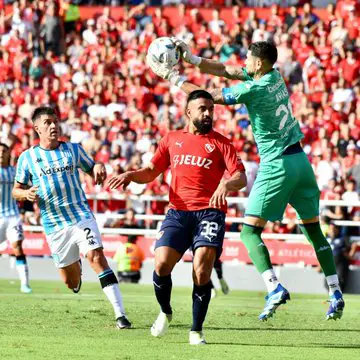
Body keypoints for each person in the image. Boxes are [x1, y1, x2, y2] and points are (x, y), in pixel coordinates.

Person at [146, 40, 345, 321]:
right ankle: (335, 291)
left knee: (249, 232)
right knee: (313, 229)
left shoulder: (254, 89)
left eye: (249, 59)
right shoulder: (273, 77)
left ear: (259, 63)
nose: (245, 63)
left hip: (277, 163)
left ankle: (273, 287)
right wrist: (192, 58)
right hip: (301, 162)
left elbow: (206, 97)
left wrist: (173, 77)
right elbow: (227, 69)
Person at [109, 90, 247, 345]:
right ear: (189, 112)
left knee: (202, 269)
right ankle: (166, 311)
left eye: (210, 109)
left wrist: (225, 185)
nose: (207, 113)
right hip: (178, 212)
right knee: (161, 264)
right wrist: (130, 175)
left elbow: (241, 176)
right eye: (202, 109)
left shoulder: (221, 143)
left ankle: (196, 330)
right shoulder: (172, 139)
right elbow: (151, 171)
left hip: (210, 212)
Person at [12, 107, 131, 329]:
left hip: (80, 215)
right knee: (70, 282)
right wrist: (25, 194)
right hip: (54, 226)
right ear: (37, 128)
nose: (53, 126)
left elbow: (92, 165)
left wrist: (99, 166)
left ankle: (120, 315)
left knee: (96, 257)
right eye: (47, 122)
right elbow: (16, 190)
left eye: (56, 121)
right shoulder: (27, 157)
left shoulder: (73, 150)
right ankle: (75, 266)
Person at [0, 142, 32, 294]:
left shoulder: (14, 172)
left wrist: (27, 209)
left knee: (17, 246)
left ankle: (25, 284)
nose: (1, 154)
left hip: (13, 215)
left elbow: (25, 189)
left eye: (4, 151)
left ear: (8, 154)